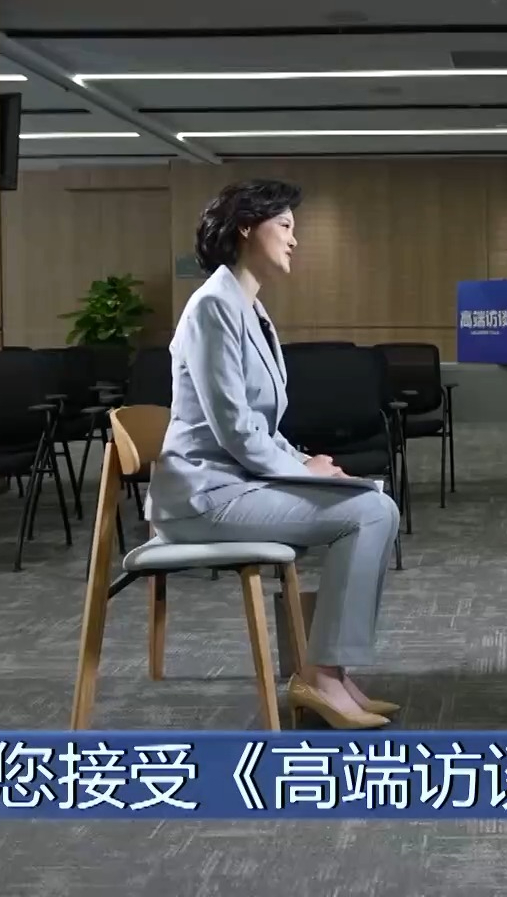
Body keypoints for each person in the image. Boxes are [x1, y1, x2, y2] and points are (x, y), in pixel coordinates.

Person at [144, 178, 403, 730]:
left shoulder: (249, 309)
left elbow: (261, 425)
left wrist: (308, 463)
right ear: (245, 227)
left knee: (373, 501)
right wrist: (302, 470)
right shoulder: (212, 307)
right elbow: (234, 427)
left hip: (236, 485)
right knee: (370, 512)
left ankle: (330, 670)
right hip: (203, 497)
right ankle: (323, 675)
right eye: (283, 226)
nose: (293, 239)